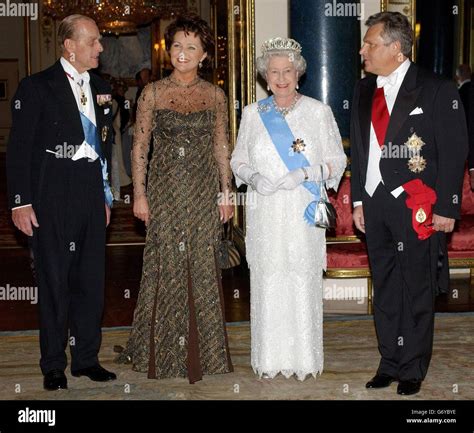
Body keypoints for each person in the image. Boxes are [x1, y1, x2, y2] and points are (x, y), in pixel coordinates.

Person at [351, 12, 468, 395]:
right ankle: (389, 361)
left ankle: (414, 366)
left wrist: (448, 207)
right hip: (374, 203)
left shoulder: (436, 89)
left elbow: (454, 151)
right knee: (385, 286)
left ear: (396, 49)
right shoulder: (362, 89)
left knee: (416, 286)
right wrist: (357, 200)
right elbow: (360, 149)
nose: (363, 50)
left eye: (371, 43)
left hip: (415, 203)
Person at [115, 14, 234, 383]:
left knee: (201, 267)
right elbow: (140, 146)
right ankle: (160, 352)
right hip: (164, 193)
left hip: (202, 194)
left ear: (204, 56)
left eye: (191, 47)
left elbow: (221, 147)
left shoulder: (215, 95)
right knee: (163, 266)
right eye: (177, 46)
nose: (182, 53)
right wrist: (140, 194)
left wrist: (226, 192)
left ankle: (206, 354)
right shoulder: (152, 93)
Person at [6, 14, 117, 390]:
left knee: (91, 281)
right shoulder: (37, 87)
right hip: (51, 197)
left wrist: (105, 195)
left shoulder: (102, 87)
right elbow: (18, 150)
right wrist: (20, 202)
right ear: (70, 45)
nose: (100, 48)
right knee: (54, 283)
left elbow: (106, 145)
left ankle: (86, 358)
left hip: (89, 197)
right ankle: (53, 362)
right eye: (93, 41)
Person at [230, 37, 346, 380]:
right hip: (265, 209)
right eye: (274, 72)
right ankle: (269, 359)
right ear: (265, 76)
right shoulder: (253, 114)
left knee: (300, 276)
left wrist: (305, 173)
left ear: (299, 74)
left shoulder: (317, 112)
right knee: (268, 277)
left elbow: (336, 161)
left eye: (288, 71)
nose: (281, 78)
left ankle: (304, 360)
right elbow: (238, 158)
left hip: (302, 209)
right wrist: (253, 176)